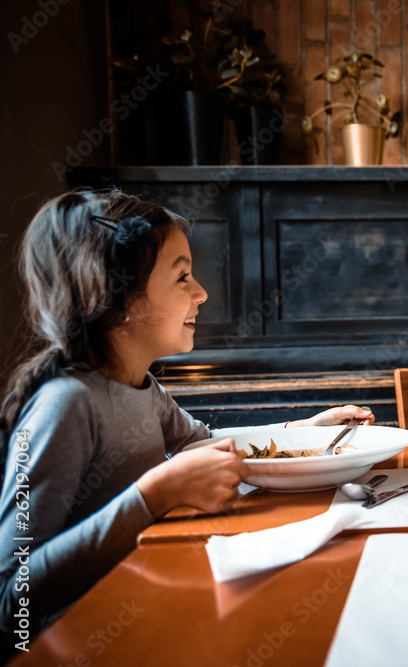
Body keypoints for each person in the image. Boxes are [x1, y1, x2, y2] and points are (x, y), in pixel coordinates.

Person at [0, 190, 374, 648]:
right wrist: (153, 494)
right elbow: (10, 598)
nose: (202, 292)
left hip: (146, 613)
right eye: (182, 277)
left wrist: (304, 430)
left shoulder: (141, 385)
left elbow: (203, 442)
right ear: (122, 298)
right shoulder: (66, 405)